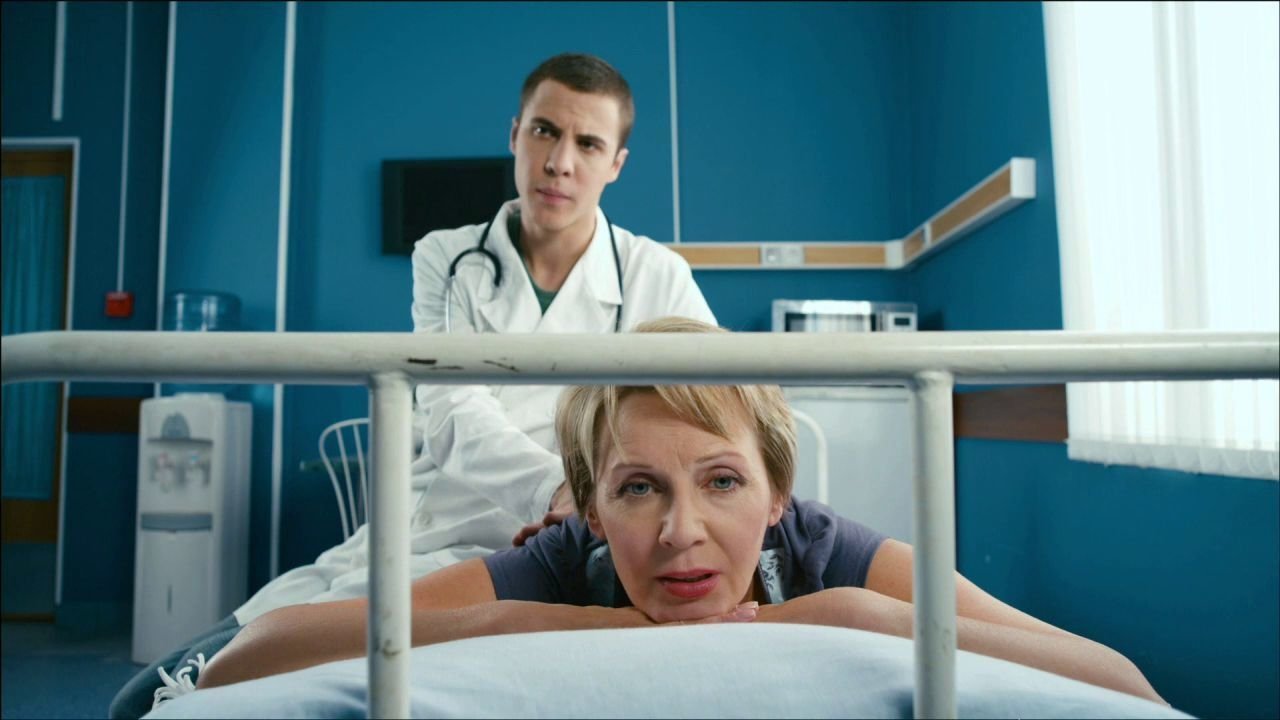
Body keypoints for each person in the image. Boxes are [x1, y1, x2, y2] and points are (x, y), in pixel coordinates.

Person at [108, 53, 714, 719]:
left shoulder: (657, 276)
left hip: (547, 546)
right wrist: (561, 489)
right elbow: (454, 415)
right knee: (150, 693)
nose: (559, 162)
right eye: (545, 131)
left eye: (588, 144)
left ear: (616, 163)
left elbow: (717, 413)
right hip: (430, 523)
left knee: (203, 693)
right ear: (515, 134)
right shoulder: (448, 257)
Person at [192, 317, 1166, 707]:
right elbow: (246, 657)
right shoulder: (559, 563)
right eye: (637, 487)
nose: (679, 532)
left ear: (777, 493)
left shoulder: (829, 554)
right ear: (589, 506)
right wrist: (540, 620)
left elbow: (1119, 681)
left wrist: (853, 616)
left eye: (722, 481)